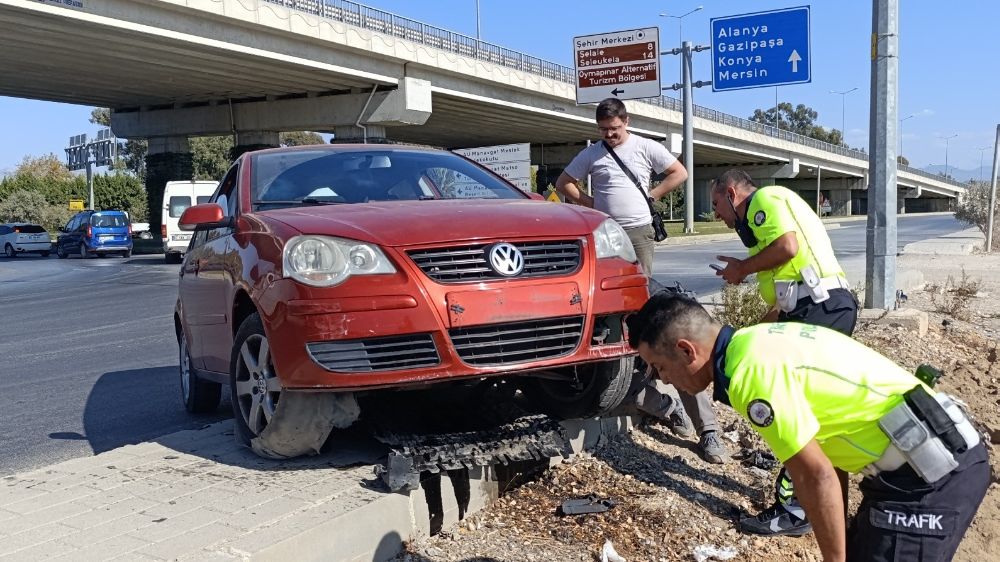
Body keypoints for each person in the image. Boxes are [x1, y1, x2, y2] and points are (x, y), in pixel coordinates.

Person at [627, 293, 990, 562]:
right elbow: (826, 459)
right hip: (917, 466)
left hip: (932, 476)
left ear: (687, 350)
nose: (663, 379)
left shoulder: (750, 376)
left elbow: (815, 477)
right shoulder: (756, 343)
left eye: (659, 367)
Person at [556, 97, 728, 464]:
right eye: (603, 130)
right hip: (604, 233)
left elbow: (678, 173)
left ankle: (708, 431)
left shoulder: (645, 147)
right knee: (618, 340)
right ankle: (665, 407)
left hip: (637, 234)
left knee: (652, 317)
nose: (609, 135)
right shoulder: (594, 154)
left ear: (625, 122)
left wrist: (650, 196)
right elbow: (563, 183)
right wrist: (589, 202)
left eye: (614, 129)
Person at [710, 169, 859, 532]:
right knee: (815, 409)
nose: (716, 215)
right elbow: (787, 290)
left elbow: (788, 248)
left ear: (732, 193)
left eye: (716, 205)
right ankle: (825, 503)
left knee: (798, 409)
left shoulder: (764, 200)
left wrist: (743, 269)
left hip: (820, 308)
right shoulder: (767, 225)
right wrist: (761, 331)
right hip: (816, 308)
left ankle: (796, 509)